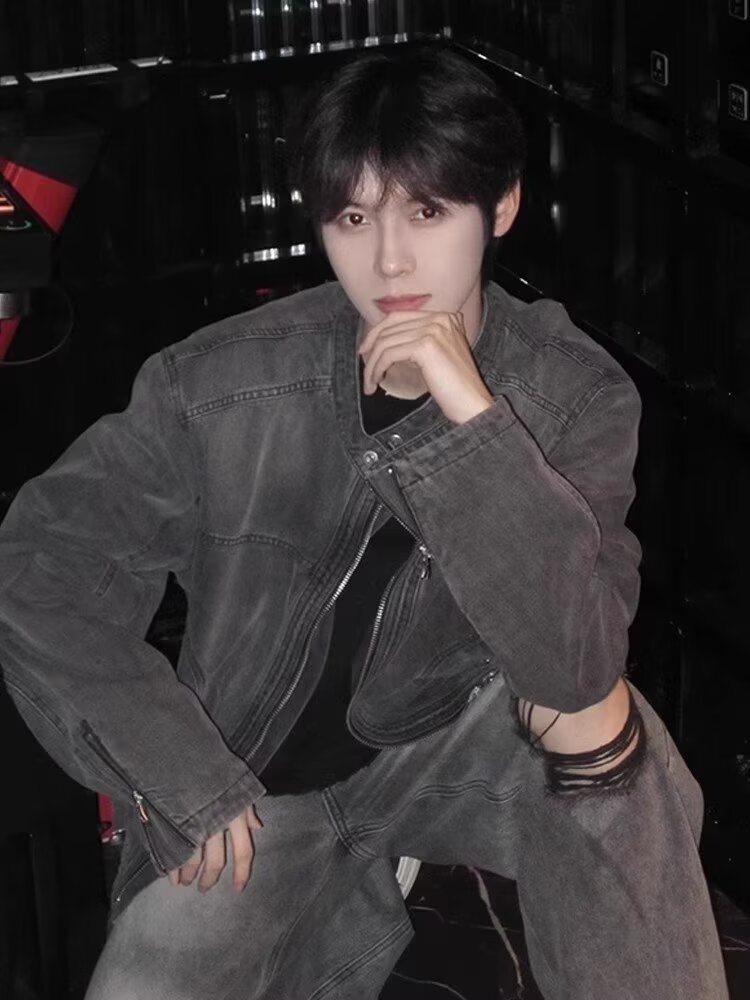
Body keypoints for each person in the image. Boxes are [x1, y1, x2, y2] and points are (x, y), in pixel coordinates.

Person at [0, 44, 729, 1000]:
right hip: (254, 777)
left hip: (458, 733)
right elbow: (36, 567)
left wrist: (470, 421)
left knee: (613, 747)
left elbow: (571, 665)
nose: (388, 261)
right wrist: (179, 771)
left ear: (501, 206)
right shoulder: (220, 383)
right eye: (353, 217)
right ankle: (346, 885)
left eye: (427, 212)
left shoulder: (571, 394)